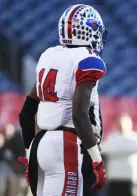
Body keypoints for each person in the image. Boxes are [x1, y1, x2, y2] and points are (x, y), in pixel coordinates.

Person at [17, 4, 108, 196]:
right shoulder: (88, 60)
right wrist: (97, 159)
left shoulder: (49, 56)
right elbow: (79, 114)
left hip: (39, 144)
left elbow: (26, 112)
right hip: (64, 145)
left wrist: (29, 153)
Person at [101, 114, 137, 196]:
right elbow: (105, 150)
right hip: (115, 178)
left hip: (132, 178)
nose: (122, 126)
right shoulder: (112, 137)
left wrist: (117, 149)